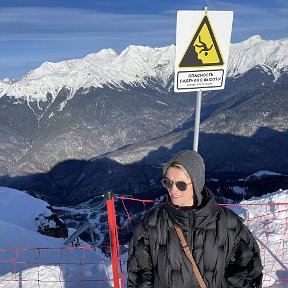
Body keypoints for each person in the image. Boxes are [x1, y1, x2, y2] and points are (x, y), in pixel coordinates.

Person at [127, 150, 263, 287]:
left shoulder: (228, 224)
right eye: (168, 183)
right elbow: (139, 276)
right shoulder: (151, 224)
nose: (173, 190)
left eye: (181, 185)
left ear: (196, 183)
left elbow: (247, 272)